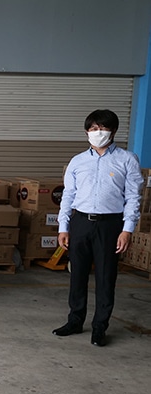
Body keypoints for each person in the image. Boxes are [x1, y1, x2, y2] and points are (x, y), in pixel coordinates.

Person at [53, 109, 143, 347]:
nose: (97, 133)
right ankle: (75, 320)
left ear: (113, 130)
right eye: (93, 129)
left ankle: (99, 327)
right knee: (78, 275)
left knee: (105, 277)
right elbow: (68, 196)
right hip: (80, 222)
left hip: (110, 225)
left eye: (102, 128)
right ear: (86, 133)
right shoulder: (77, 161)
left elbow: (133, 197)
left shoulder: (127, 159)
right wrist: (64, 226)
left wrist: (128, 229)